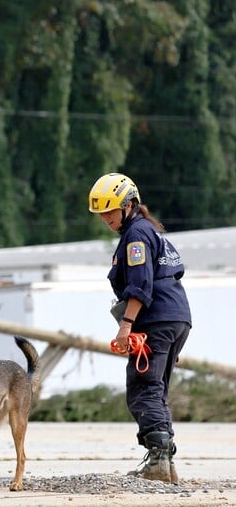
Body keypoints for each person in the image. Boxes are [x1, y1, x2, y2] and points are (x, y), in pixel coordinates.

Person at [88, 172, 192, 483]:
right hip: (176, 317)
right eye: (101, 213)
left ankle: (158, 461)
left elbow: (140, 284)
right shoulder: (150, 232)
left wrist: (126, 325)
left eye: (110, 210)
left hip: (156, 320)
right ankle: (166, 465)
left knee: (143, 388)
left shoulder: (136, 237)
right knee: (156, 389)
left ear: (129, 204)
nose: (106, 218)